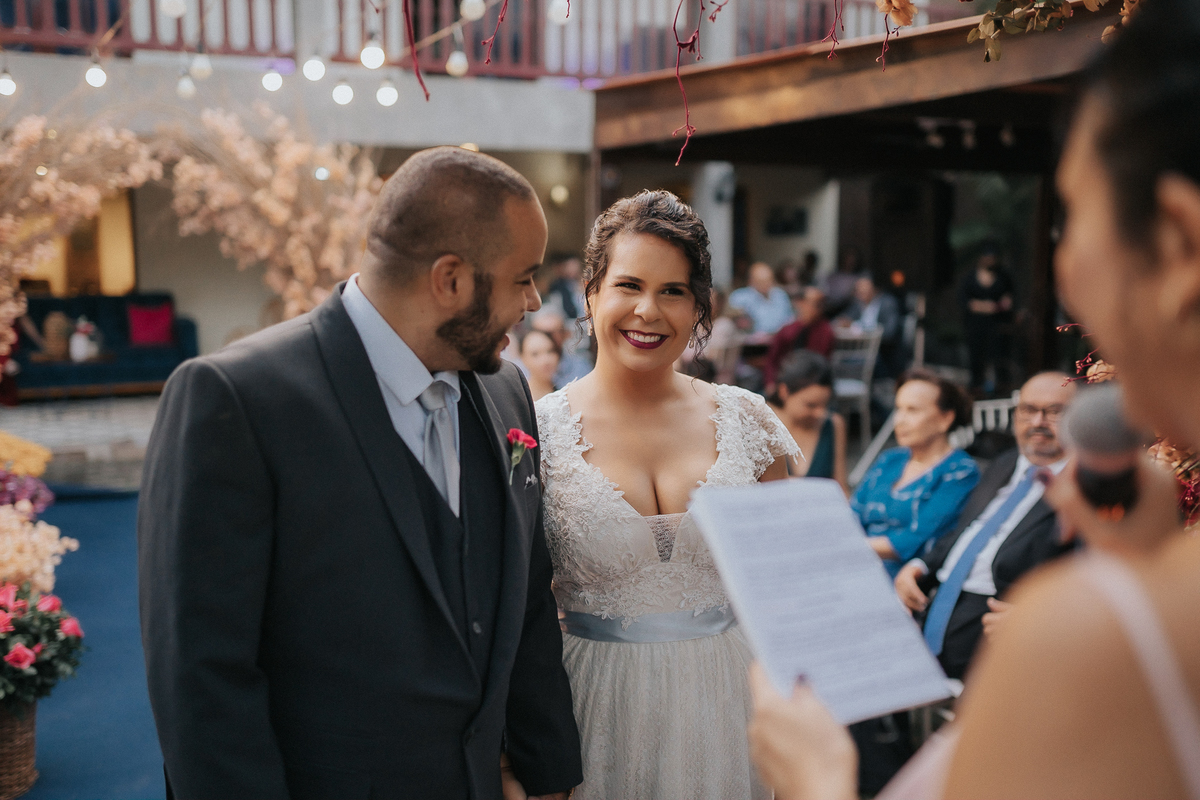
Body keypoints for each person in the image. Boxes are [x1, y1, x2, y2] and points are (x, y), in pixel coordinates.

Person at [748, 1, 1200, 796]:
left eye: (1074, 216)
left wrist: (818, 779)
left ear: (1176, 242)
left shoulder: (1104, 633)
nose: (1064, 274)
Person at [138, 147, 582, 800]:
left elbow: (526, 599)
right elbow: (201, 678)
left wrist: (549, 775)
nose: (535, 300)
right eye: (523, 278)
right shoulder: (236, 400)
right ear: (451, 280)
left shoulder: (507, 391)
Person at [536, 190, 795, 800]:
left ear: (699, 307)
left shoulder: (748, 423)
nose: (648, 311)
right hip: (590, 704)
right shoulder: (534, 432)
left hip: (730, 703)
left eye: (673, 291)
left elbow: (783, 594)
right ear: (592, 293)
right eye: (629, 285)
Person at [893, 372, 1077, 681]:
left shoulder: (1085, 488)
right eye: (1028, 410)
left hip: (995, 628)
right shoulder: (1004, 463)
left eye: (1054, 412)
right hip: (934, 601)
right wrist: (918, 566)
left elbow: (1092, 570)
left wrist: (1043, 616)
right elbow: (964, 533)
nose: (1037, 422)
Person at [850, 369, 979, 578]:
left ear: (945, 419)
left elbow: (916, 539)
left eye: (913, 410)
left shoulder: (960, 472)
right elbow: (853, 514)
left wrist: (845, 547)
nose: (900, 420)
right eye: (898, 409)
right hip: (855, 566)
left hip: (904, 579)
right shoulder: (891, 459)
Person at [769, 351, 848, 493]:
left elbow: (841, 487)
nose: (820, 413)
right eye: (811, 405)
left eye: (825, 405)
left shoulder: (833, 424)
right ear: (784, 391)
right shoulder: (761, 422)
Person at [960, 249, 1015, 396]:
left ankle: (999, 389)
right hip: (975, 325)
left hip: (996, 326)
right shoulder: (970, 277)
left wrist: (1003, 305)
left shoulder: (1003, 277)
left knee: (998, 358)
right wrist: (984, 306)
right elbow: (964, 300)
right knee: (976, 359)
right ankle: (976, 388)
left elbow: (1010, 297)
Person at [763, 286, 834, 389]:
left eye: (821, 304)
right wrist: (770, 383)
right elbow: (772, 360)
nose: (818, 308)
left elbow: (820, 367)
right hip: (784, 384)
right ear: (800, 303)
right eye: (814, 303)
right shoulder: (787, 330)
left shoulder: (826, 331)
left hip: (812, 386)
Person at [729, 262, 795, 335]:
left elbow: (789, 318)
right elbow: (736, 323)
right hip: (752, 341)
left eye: (769, 280)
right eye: (761, 281)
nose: (766, 284)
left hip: (780, 338)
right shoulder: (740, 297)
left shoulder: (780, 294)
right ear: (751, 281)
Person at [530, 307, 592, 386]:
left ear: (565, 334)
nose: (548, 339)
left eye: (554, 332)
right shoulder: (522, 367)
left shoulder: (581, 367)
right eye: (543, 333)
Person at [520, 328, 561, 401]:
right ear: (523, 358)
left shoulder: (564, 394)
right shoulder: (520, 398)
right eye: (535, 354)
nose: (545, 360)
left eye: (550, 351)